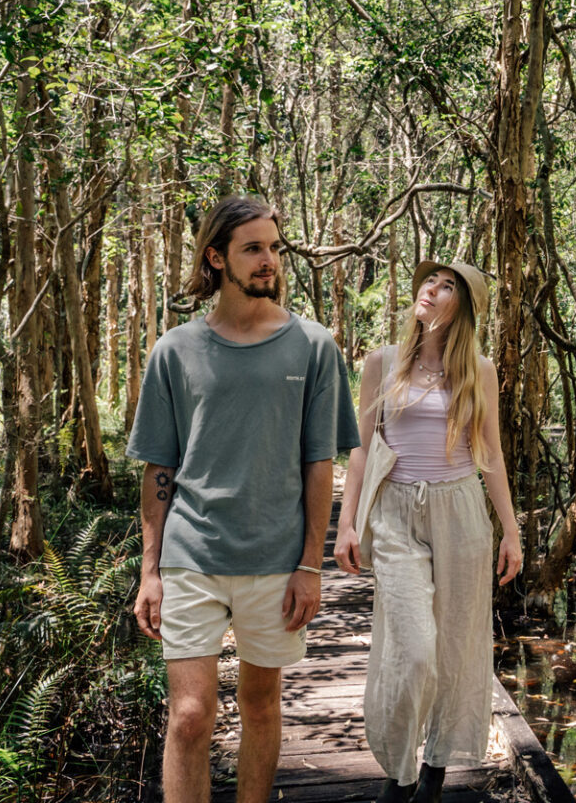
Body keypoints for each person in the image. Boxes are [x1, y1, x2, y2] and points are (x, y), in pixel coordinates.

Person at [130, 195, 361, 803]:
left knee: (261, 707)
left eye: (274, 248)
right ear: (216, 257)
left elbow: (320, 465)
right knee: (189, 716)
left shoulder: (314, 346)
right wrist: (149, 571)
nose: (269, 262)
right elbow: (160, 467)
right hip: (191, 553)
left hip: (275, 557)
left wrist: (311, 564)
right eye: (252, 249)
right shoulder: (173, 351)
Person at [333, 260, 523, 803]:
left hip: (461, 511)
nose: (431, 291)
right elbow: (363, 447)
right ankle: (400, 772)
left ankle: (436, 767)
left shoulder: (478, 371)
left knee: (458, 644)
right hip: (394, 513)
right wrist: (348, 523)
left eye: (446, 287)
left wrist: (510, 531)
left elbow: (489, 455)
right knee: (413, 649)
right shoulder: (382, 363)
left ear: (461, 307)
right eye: (429, 282)